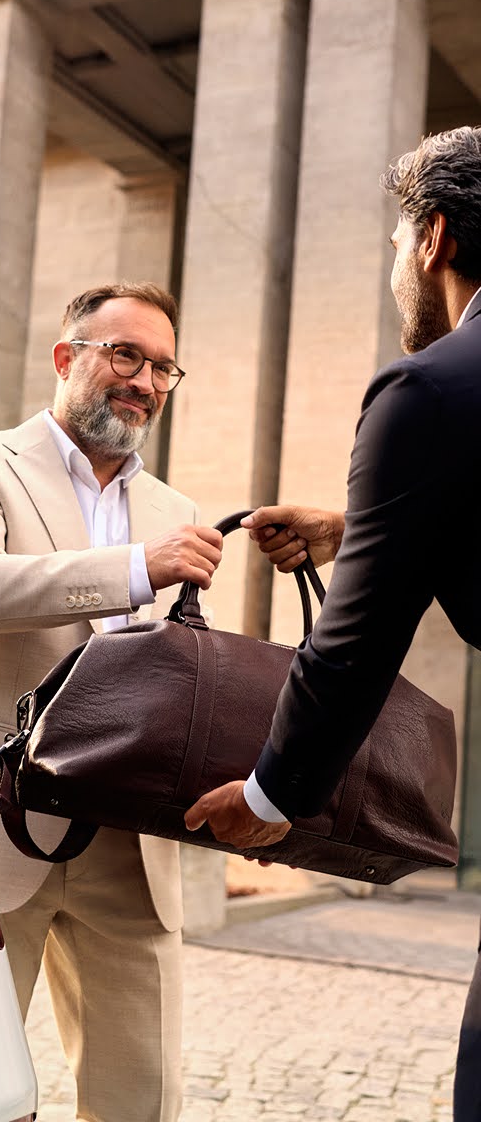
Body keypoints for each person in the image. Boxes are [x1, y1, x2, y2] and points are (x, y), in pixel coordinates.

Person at [183, 126, 481, 1120]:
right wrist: (363, 526)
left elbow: (351, 648)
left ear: (433, 237)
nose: (395, 268)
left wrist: (272, 797)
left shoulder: (428, 391)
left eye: (395, 245)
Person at [0, 281, 223, 1122]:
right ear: (66, 357)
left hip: (128, 845)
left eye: (163, 367)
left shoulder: (176, 511)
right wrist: (135, 567)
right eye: (125, 354)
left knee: (143, 1098)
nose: (146, 381)